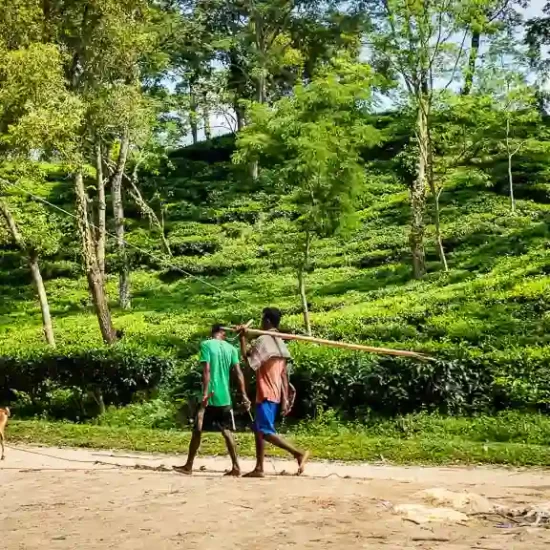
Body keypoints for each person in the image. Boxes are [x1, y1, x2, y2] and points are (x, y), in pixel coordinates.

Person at [239, 308, 309, 478]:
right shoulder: (279, 342)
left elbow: (249, 362)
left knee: (265, 432)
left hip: (266, 392)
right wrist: (284, 398)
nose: (262, 322)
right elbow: (284, 374)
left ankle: (297, 453)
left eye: (263, 319)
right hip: (275, 392)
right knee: (258, 429)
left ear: (268, 321)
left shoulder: (263, 340)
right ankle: (259, 468)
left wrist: (242, 338)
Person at [174, 324, 250, 476]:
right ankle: (236, 466)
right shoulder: (231, 349)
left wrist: (204, 393)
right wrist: (244, 394)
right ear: (222, 333)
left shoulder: (206, 345)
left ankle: (189, 465)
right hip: (225, 397)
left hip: (210, 394)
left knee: (198, 427)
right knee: (226, 430)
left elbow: (206, 370)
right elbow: (239, 373)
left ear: (213, 332)